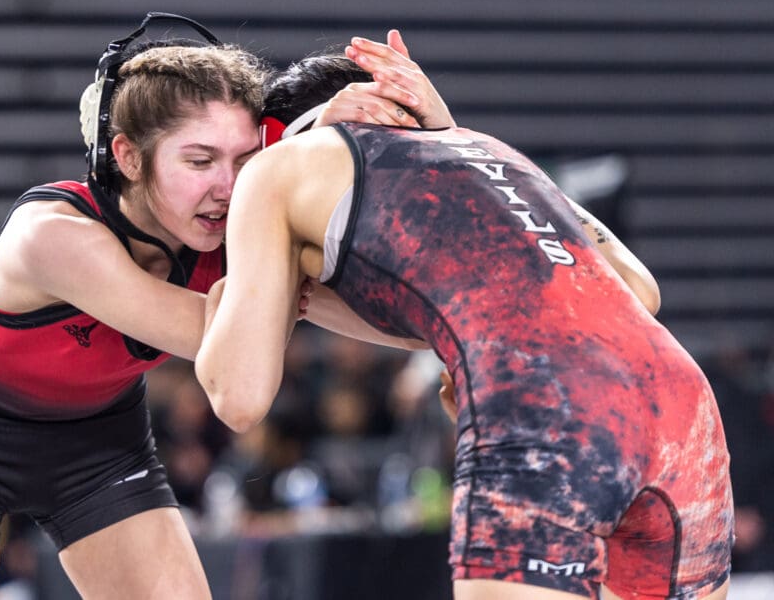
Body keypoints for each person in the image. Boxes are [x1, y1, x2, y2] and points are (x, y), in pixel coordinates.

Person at [0, 13, 447, 599]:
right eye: (199, 162)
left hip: (98, 447)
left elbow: (411, 322)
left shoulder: (233, 236)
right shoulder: (51, 236)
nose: (227, 188)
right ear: (127, 157)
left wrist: (433, 135)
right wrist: (299, 178)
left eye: (246, 162)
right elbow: (229, 347)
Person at [195, 55, 734, 599]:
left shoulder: (278, 165)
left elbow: (238, 395)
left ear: (275, 136)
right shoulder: (488, 149)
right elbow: (642, 292)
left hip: (544, 401)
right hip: (681, 407)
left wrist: (232, 292)